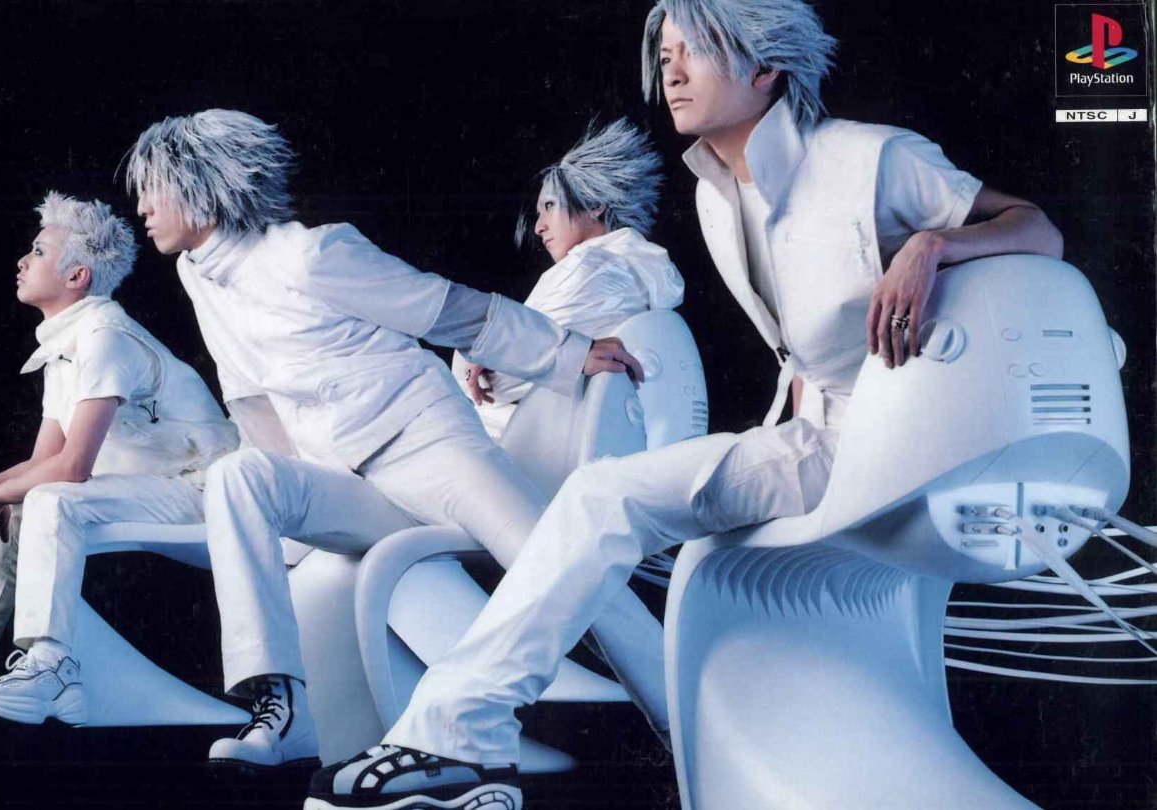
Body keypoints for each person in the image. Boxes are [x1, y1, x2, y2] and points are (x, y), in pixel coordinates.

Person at [307, 0, 1065, 807]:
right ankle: (458, 744)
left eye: (692, 52)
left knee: (605, 500)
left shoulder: (873, 158)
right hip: (818, 444)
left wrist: (933, 244)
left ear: (764, 68)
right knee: (601, 496)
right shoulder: (716, 197)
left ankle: (457, 740)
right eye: (664, 55)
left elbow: (1040, 231)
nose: (670, 72)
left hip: (900, 455)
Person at [123, 110, 670, 772]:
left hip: (427, 447)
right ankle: (285, 707)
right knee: (242, 476)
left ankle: (683, 712)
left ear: (201, 189)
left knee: (557, 562)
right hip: (349, 481)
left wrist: (568, 351)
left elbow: (444, 307)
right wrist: (288, 519)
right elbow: (250, 393)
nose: (142, 207)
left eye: (153, 189)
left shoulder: (310, 254)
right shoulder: (197, 274)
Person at [0, 192, 238, 726]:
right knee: (21, 504)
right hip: (152, 489)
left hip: (209, 493)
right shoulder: (67, 344)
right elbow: (47, 457)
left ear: (77, 276)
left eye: (39, 252)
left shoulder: (105, 336)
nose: (22, 261)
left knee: (50, 499)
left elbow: (71, 470)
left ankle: (52, 667)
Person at [459, 117, 684, 440]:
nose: (539, 227)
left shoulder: (591, 269)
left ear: (594, 205)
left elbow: (495, 382)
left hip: (545, 444)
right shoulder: (632, 272)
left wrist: (482, 351)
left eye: (549, 206)